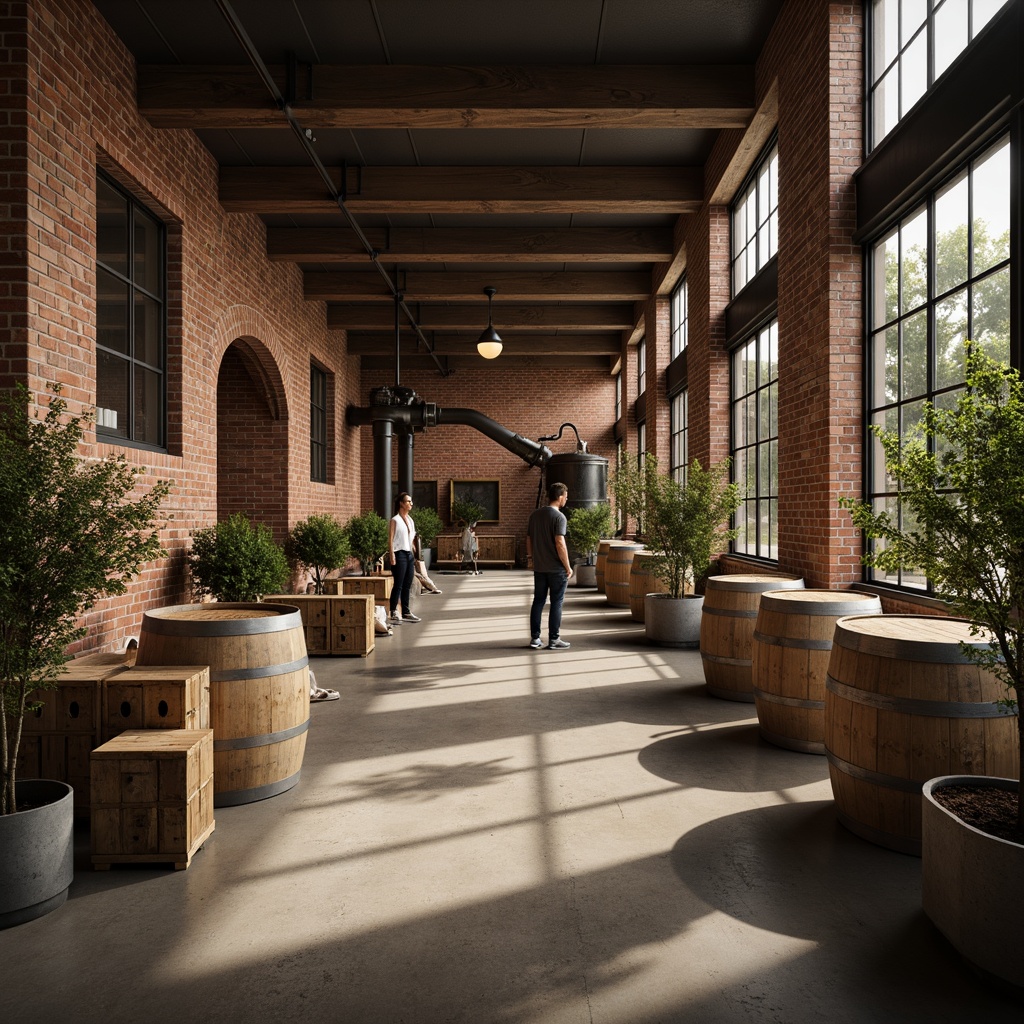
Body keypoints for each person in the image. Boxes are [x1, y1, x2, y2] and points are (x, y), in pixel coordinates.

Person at [526, 481, 573, 650]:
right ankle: (554, 639)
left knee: (538, 601)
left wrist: (531, 558)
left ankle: (535, 639)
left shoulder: (535, 515)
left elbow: (529, 539)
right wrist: (568, 567)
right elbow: (560, 543)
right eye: (566, 497)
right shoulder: (559, 517)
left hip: (539, 568)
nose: (566, 500)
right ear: (560, 497)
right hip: (556, 570)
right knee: (556, 602)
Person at [388, 491, 421, 624]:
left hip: (408, 555)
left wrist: (415, 555)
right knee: (399, 584)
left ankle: (406, 612)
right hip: (399, 554)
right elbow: (390, 539)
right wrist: (391, 555)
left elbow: (411, 539)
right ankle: (393, 611)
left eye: (411, 501)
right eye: (408, 501)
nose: (411, 503)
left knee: (408, 584)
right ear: (401, 504)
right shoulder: (395, 520)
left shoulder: (410, 520)